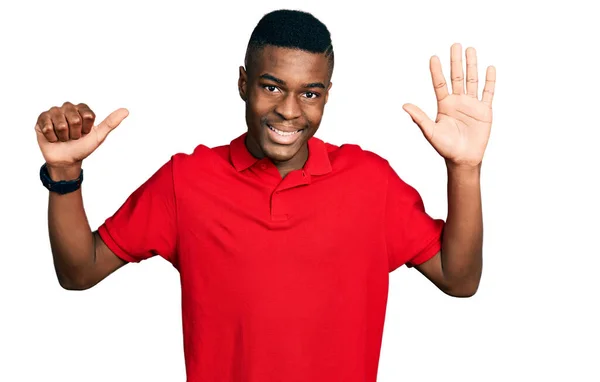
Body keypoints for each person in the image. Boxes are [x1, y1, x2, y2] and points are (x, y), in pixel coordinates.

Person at [35, 9, 496, 382]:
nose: (289, 110)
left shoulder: (371, 183)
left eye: (310, 93)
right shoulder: (187, 181)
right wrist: (64, 173)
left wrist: (465, 170)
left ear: (328, 95)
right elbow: (79, 272)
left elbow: (460, 279)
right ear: (242, 82)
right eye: (271, 86)